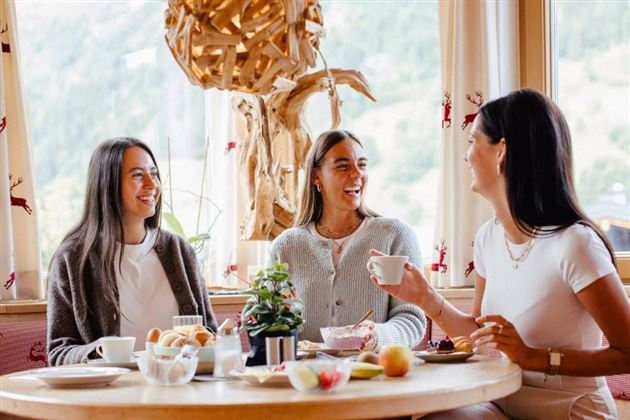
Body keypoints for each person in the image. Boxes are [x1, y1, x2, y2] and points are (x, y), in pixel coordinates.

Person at [372, 89, 630, 418]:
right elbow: (480, 336)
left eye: (471, 142)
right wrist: (424, 297)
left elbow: (627, 352)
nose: (465, 156)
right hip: (504, 401)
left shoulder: (575, 243)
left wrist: (535, 357)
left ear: (501, 152)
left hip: (569, 410)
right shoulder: (488, 238)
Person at [47, 137, 217, 366]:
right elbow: (59, 353)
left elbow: (209, 336)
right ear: (107, 184)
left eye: (154, 173)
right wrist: (98, 351)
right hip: (113, 396)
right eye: (137, 175)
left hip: (183, 389)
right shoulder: (72, 260)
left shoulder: (180, 251)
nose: (151, 184)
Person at [269, 129, 426, 351]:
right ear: (316, 176)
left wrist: (376, 336)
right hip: (306, 379)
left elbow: (412, 319)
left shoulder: (395, 235)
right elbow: (270, 323)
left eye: (362, 165)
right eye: (343, 166)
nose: (357, 174)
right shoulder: (286, 247)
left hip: (374, 376)